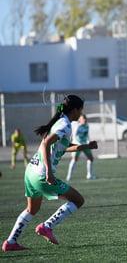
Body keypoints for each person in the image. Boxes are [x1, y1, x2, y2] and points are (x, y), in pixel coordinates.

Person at [2, 95, 98, 251]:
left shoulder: (61, 122)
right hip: (41, 175)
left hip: (31, 172)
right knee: (78, 200)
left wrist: (85, 146)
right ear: (75, 110)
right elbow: (46, 143)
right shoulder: (64, 125)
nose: (81, 114)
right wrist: (49, 172)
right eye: (81, 111)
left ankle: (10, 242)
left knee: (31, 209)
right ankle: (47, 226)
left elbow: (62, 146)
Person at [66, 114, 97, 180]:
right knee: (74, 159)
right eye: (83, 119)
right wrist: (79, 145)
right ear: (80, 120)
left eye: (85, 118)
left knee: (90, 158)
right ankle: (69, 176)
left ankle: (89, 175)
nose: (85, 120)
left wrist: (89, 143)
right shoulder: (78, 126)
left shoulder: (87, 125)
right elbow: (74, 136)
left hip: (84, 144)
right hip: (77, 145)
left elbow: (87, 135)